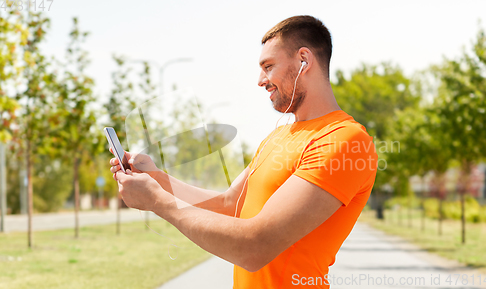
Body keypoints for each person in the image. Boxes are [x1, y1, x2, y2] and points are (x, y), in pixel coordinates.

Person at [110, 15, 378, 289]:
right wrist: (156, 178)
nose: (261, 80)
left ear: (303, 61)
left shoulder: (345, 141)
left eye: (268, 66)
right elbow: (229, 205)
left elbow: (256, 246)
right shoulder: (278, 136)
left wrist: (157, 201)